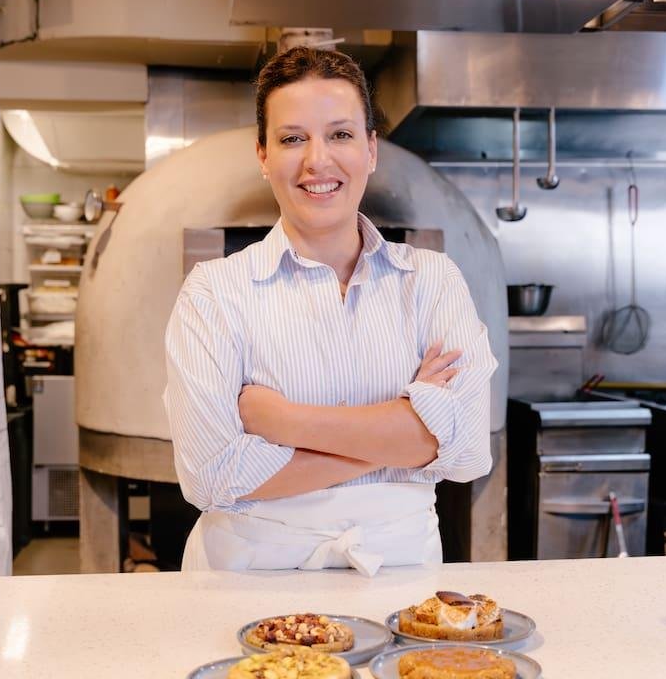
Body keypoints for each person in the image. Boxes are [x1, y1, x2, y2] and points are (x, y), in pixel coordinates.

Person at [162, 47, 497, 575]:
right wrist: (406, 438)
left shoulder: (432, 280)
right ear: (263, 155)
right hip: (251, 577)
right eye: (292, 138)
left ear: (371, 149)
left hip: (399, 573)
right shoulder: (213, 294)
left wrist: (285, 421)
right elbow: (211, 476)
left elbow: (468, 450)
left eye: (340, 134)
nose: (317, 160)